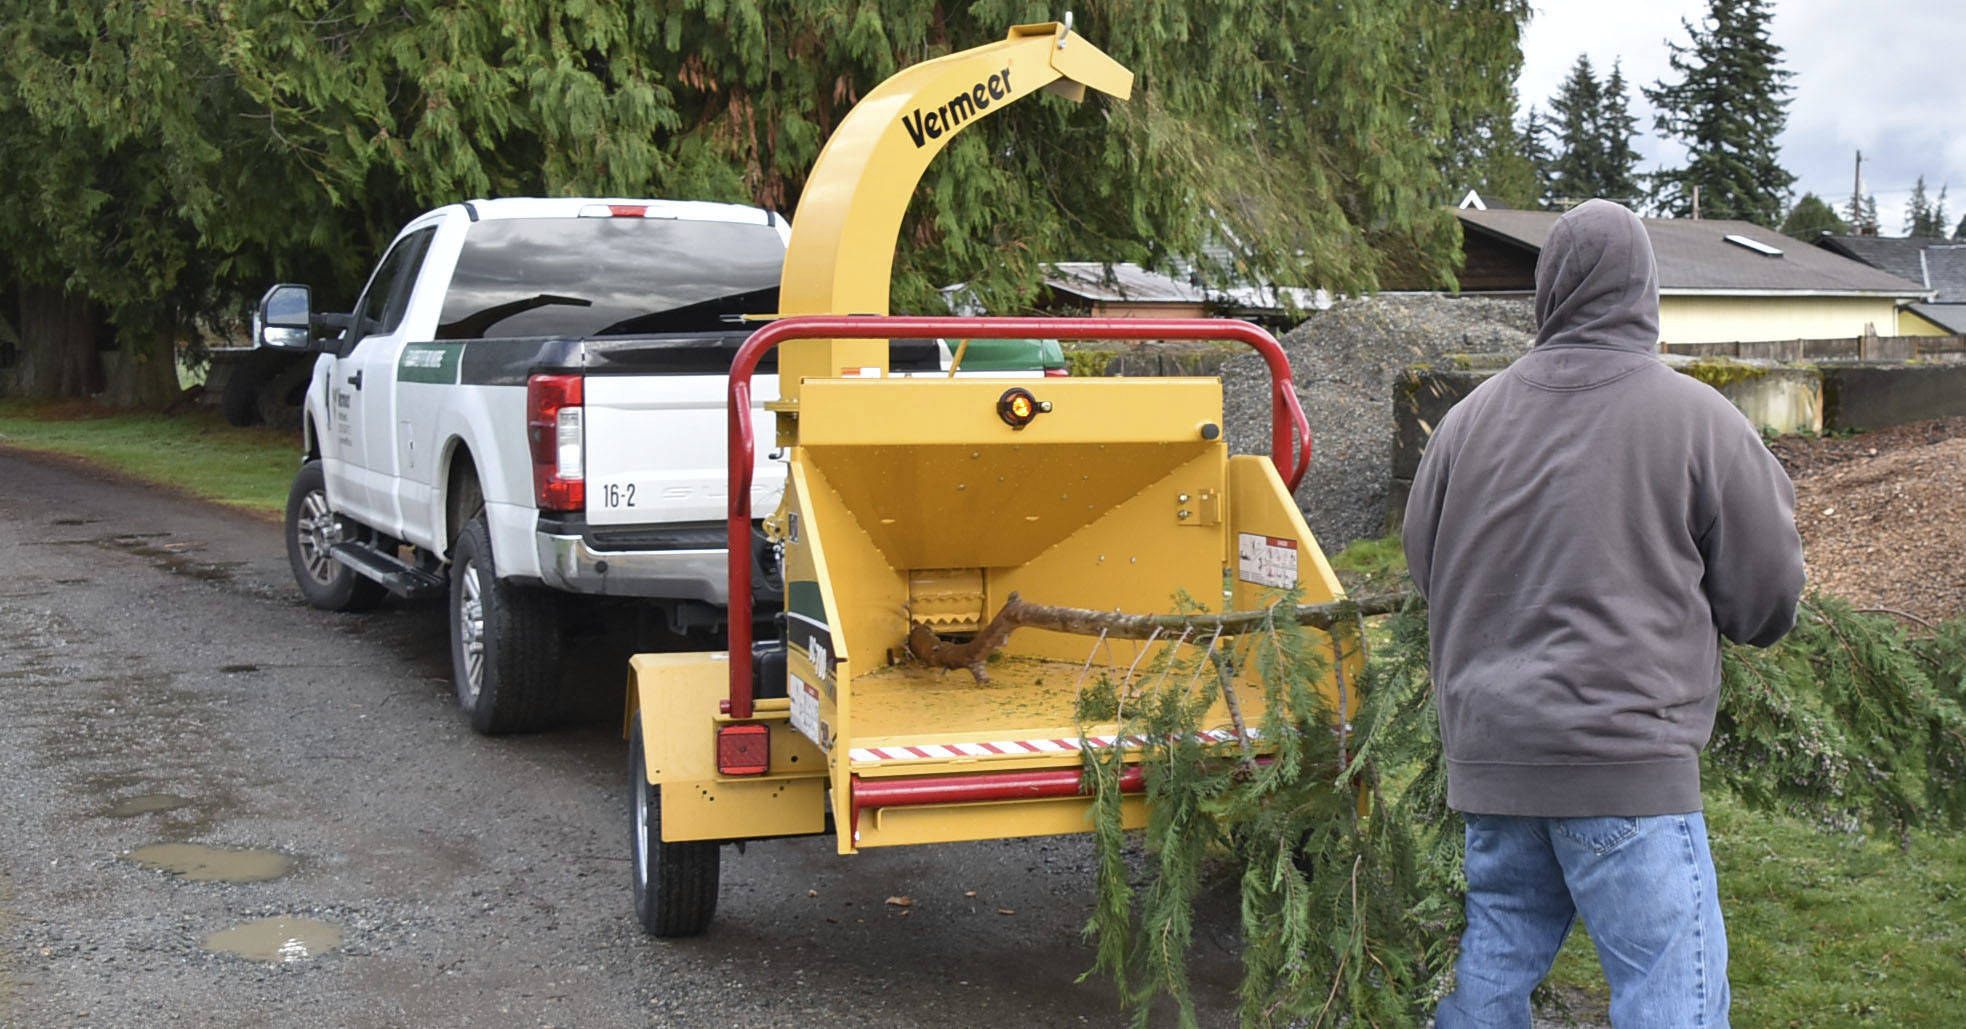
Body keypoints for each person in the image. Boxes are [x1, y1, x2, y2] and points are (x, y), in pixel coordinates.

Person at [1402, 199, 1806, 1028]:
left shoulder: (1463, 426)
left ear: (1548, 290)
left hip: (1493, 761)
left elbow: (1425, 567)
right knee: (1670, 994)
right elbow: (1766, 600)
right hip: (1628, 765)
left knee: (1489, 973)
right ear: (1645, 290)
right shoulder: (1701, 422)